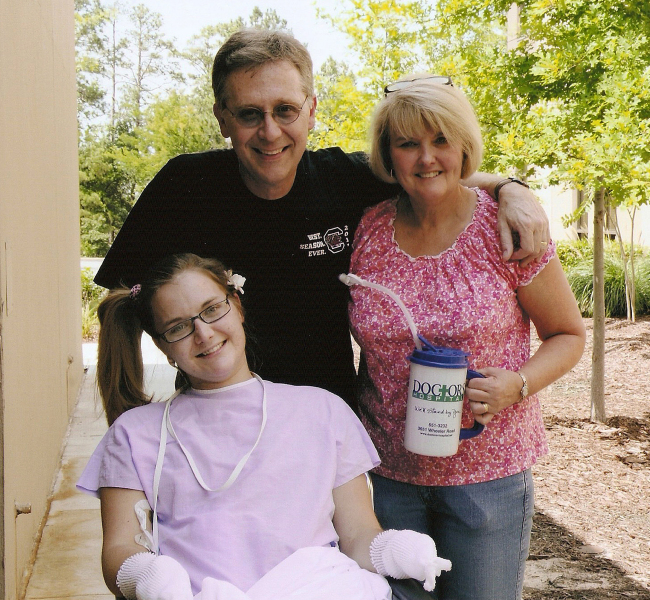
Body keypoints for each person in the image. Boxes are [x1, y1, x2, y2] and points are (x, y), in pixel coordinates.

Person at [93, 29, 550, 410]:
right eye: (250, 114)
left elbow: (434, 171)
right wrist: (131, 415)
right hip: (213, 421)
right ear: (222, 119)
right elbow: (122, 304)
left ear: (311, 111)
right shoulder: (185, 187)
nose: (270, 132)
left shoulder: (345, 180)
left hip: (326, 425)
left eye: (285, 110)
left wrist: (510, 186)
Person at [78, 253, 459, 600]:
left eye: (212, 310)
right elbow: (120, 547)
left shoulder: (321, 410)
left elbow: (358, 532)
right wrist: (142, 574)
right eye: (178, 327)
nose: (204, 333)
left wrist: (390, 550)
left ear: (237, 305)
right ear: (162, 345)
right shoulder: (136, 434)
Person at [346, 76, 586, 600]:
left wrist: (519, 384)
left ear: (463, 146)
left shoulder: (505, 229)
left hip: (488, 481)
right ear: (387, 154)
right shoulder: (369, 228)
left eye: (441, 139)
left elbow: (568, 335)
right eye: (407, 143)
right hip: (386, 478)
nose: (426, 157)